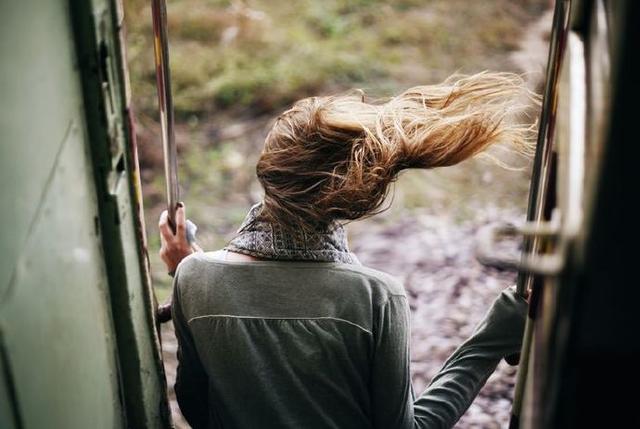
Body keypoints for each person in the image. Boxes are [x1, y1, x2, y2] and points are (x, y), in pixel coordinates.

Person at [159, 72, 532, 429]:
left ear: (269, 172)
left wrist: (194, 273)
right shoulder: (375, 296)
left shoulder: (194, 277)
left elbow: (195, 403)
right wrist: (491, 338)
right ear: (355, 197)